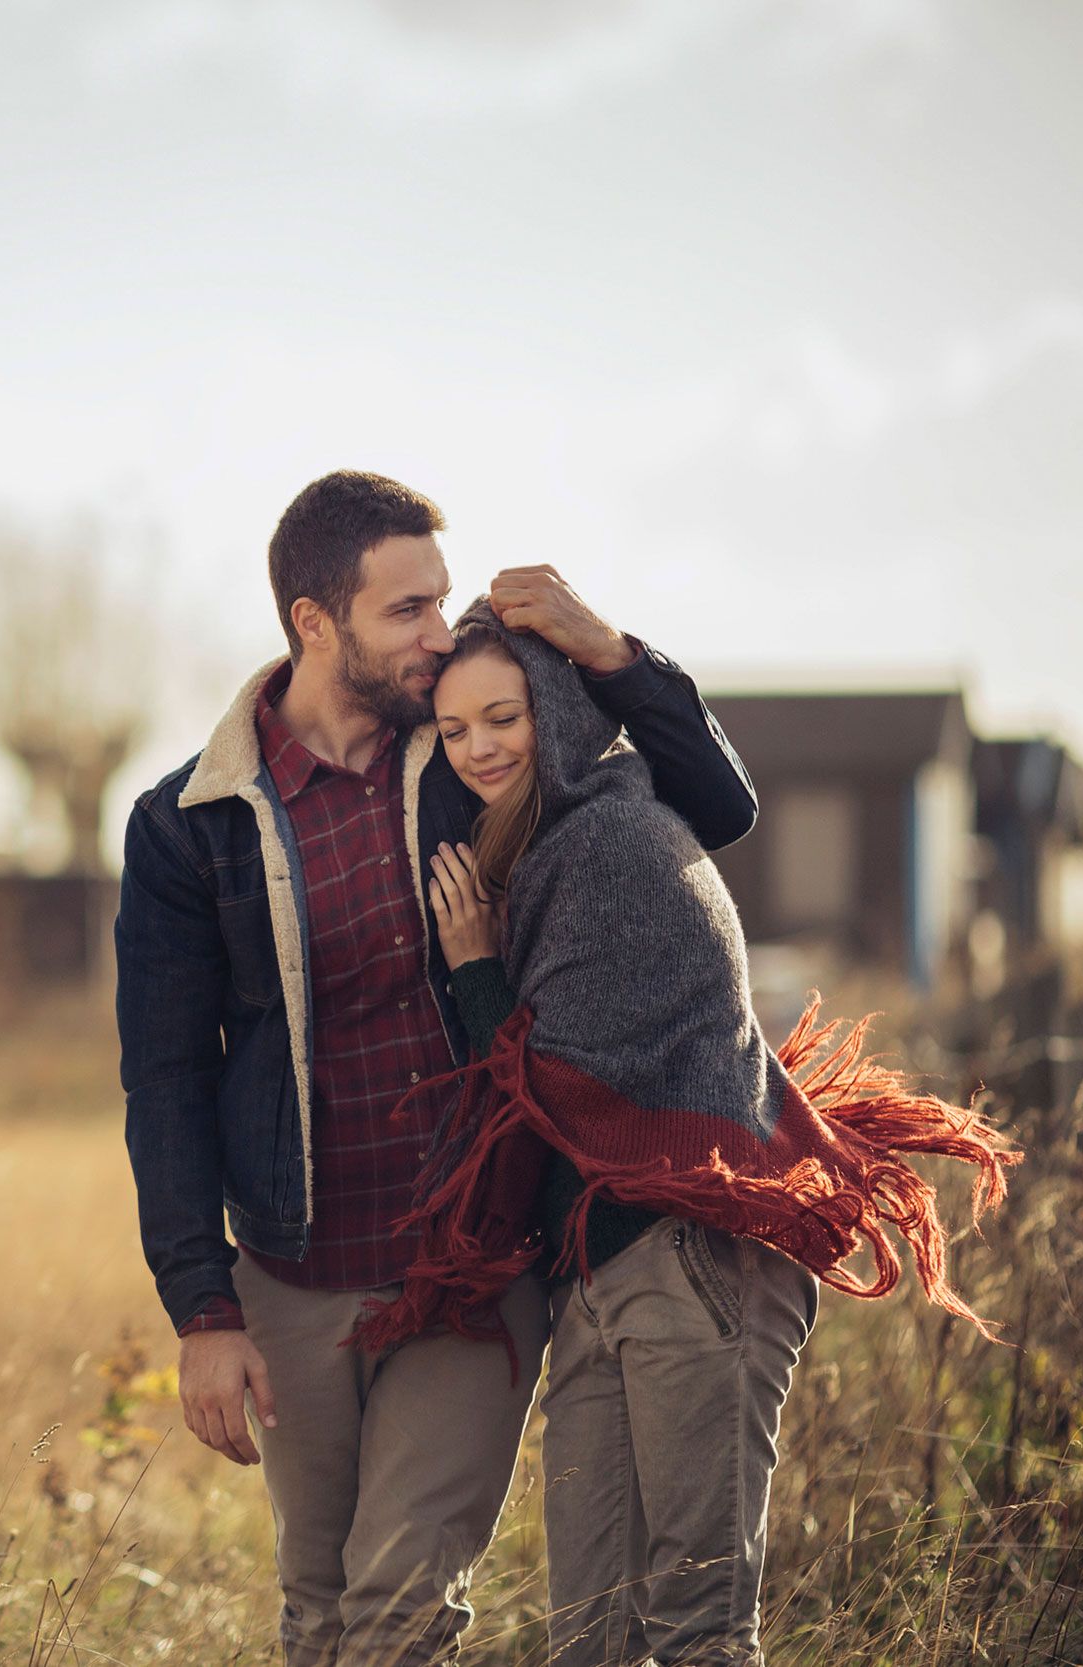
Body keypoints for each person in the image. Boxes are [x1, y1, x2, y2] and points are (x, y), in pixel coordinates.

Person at [114, 469, 759, 1666]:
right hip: (294, 1273)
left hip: (467, 1266)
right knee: (318, 1609)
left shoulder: (467, 753)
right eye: (406, 609)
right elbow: (165, 1080)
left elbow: (713, 804)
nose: (438, 634)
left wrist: (607, 649)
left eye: (439, 599)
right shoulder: (187, 824)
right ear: (314, 621)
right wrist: (202, 1307)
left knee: (402, 1611)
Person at [381, 605, 1016, 1666]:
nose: (478, 746)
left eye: (503, 716)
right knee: (588, 1637)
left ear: (559, 712)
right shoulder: (541, 854)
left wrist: (477, 970)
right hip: (603, 1270)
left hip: (691, 1261)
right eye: (453, 730)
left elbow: (560, 1094)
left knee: (699, 1631)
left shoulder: (612, 846)